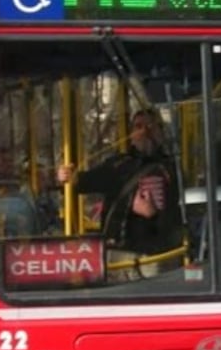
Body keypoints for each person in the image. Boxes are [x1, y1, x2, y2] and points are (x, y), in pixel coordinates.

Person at [57, 108, 183, 260]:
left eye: (150, 126)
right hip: (117, 251)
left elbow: (177, 215)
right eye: (139, 126)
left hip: (153, 254)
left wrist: (153, 214)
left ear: (160, 132)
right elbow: (85, 181)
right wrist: (69, 177)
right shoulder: (118, 165)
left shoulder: (170, 168)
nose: (145, 132)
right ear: (131, 135)